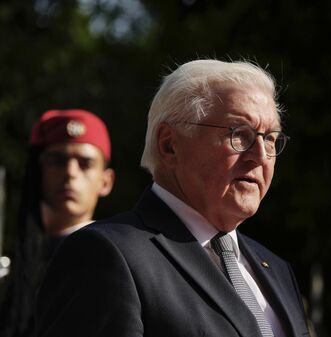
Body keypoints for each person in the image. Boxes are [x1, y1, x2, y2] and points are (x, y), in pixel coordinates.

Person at [35, 59, 310, 337]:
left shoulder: (276, 269)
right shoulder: (104, 255)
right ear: (169, 145)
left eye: (271, 139)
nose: (260, 156)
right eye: (240, 135)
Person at [0, 109, 115, 337]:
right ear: (38, 172)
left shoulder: (114, 260)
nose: (70, 173)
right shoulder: (14, 266)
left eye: (85, 163)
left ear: (106, 181)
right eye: (58, 161)